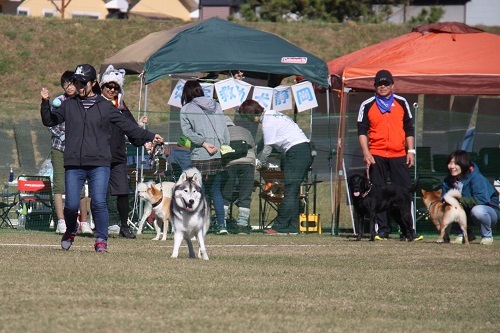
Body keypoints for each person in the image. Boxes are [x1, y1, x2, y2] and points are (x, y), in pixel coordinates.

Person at [40, 63, 163, 253]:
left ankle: (101, 240)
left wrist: (149, 135)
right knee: (72, 205)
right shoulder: (69, 104)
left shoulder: (105, 107)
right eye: (76, 82)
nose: (79, 86)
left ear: (93, 83)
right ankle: (71, 230)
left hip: (99, 163)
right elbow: (49, 120)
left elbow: (127, 126)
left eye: (83, 83)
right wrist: (45, 103)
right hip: (74, 163)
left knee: (98, 202)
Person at [357, 69, 422, 241]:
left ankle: (408, 230)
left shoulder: (401, 102)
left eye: (386, 83)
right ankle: (382, 230)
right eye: (380, 84)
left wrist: (410, 151)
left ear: (392, 85)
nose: (383, 86)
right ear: (375, 86)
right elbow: (362, 130)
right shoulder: (368, 105)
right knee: (376, 194)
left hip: (398, 154)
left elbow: (409, 128)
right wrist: (366, 152)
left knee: (404, 193)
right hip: (376, 154)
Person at [239, 99, 313, 235]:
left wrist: (258, 164)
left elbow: (268, 148)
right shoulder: (272, 115)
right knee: (294, 190)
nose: (249, 121)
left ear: (251, 114)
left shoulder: (268, 122)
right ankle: (293, 226)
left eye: (247, 117)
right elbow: (264, 142)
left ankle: (280, 226)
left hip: (296, 152)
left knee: (290, 190)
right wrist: (254, 150)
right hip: (302, 151)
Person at [99, 65, 149, 239]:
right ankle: (101, 226)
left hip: (118, 156)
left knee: (123, 192)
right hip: (99, 156)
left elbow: (131, 129)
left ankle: (124, 225)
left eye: (115, 87)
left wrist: (144, 140)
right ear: (102, 86)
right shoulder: (96, 104)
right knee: (101, 194)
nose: (112, 89)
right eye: (108, 86)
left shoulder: (121, 107)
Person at [179, 80, 229, 234]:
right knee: (216, 191)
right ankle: (222, 226)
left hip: (200, 155)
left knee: (199, 192)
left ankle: (201, 225)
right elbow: (225, 129)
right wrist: (222, 146)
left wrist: (204, 143)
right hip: (219, 154)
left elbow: (187, 133)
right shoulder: (217, 105)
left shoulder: (186, 109)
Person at [49, 71, 91, 235]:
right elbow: (51, 123)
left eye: (72, 83)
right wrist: (68, 133)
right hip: (59, 147)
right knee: (59, 184)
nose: (70, 87)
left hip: (78, 149)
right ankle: (61, 222)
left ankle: (84, 222)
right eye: (66, 84)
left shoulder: (83, 101)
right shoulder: (58, 102)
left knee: (80, 187)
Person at [441, 150, 499, 245]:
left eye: (456, 163)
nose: (452, 166)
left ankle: (487, 236)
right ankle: (465, 234)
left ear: (464, 164)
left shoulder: (477, 177)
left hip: (488, 211)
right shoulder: (447, 181)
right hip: (464, 213)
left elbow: (481, 199)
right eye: (450, 163)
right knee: (445, 210)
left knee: (477, 210)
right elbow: (443, 197)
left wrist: (459, 202)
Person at [222, 116, 256, 234]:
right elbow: (253, 146)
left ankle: (222, 224)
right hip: (248, 162)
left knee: (226, 194)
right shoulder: (245, 130)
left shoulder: (221, 131)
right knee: (245, 195)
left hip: (230, 163)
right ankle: (242, 225)